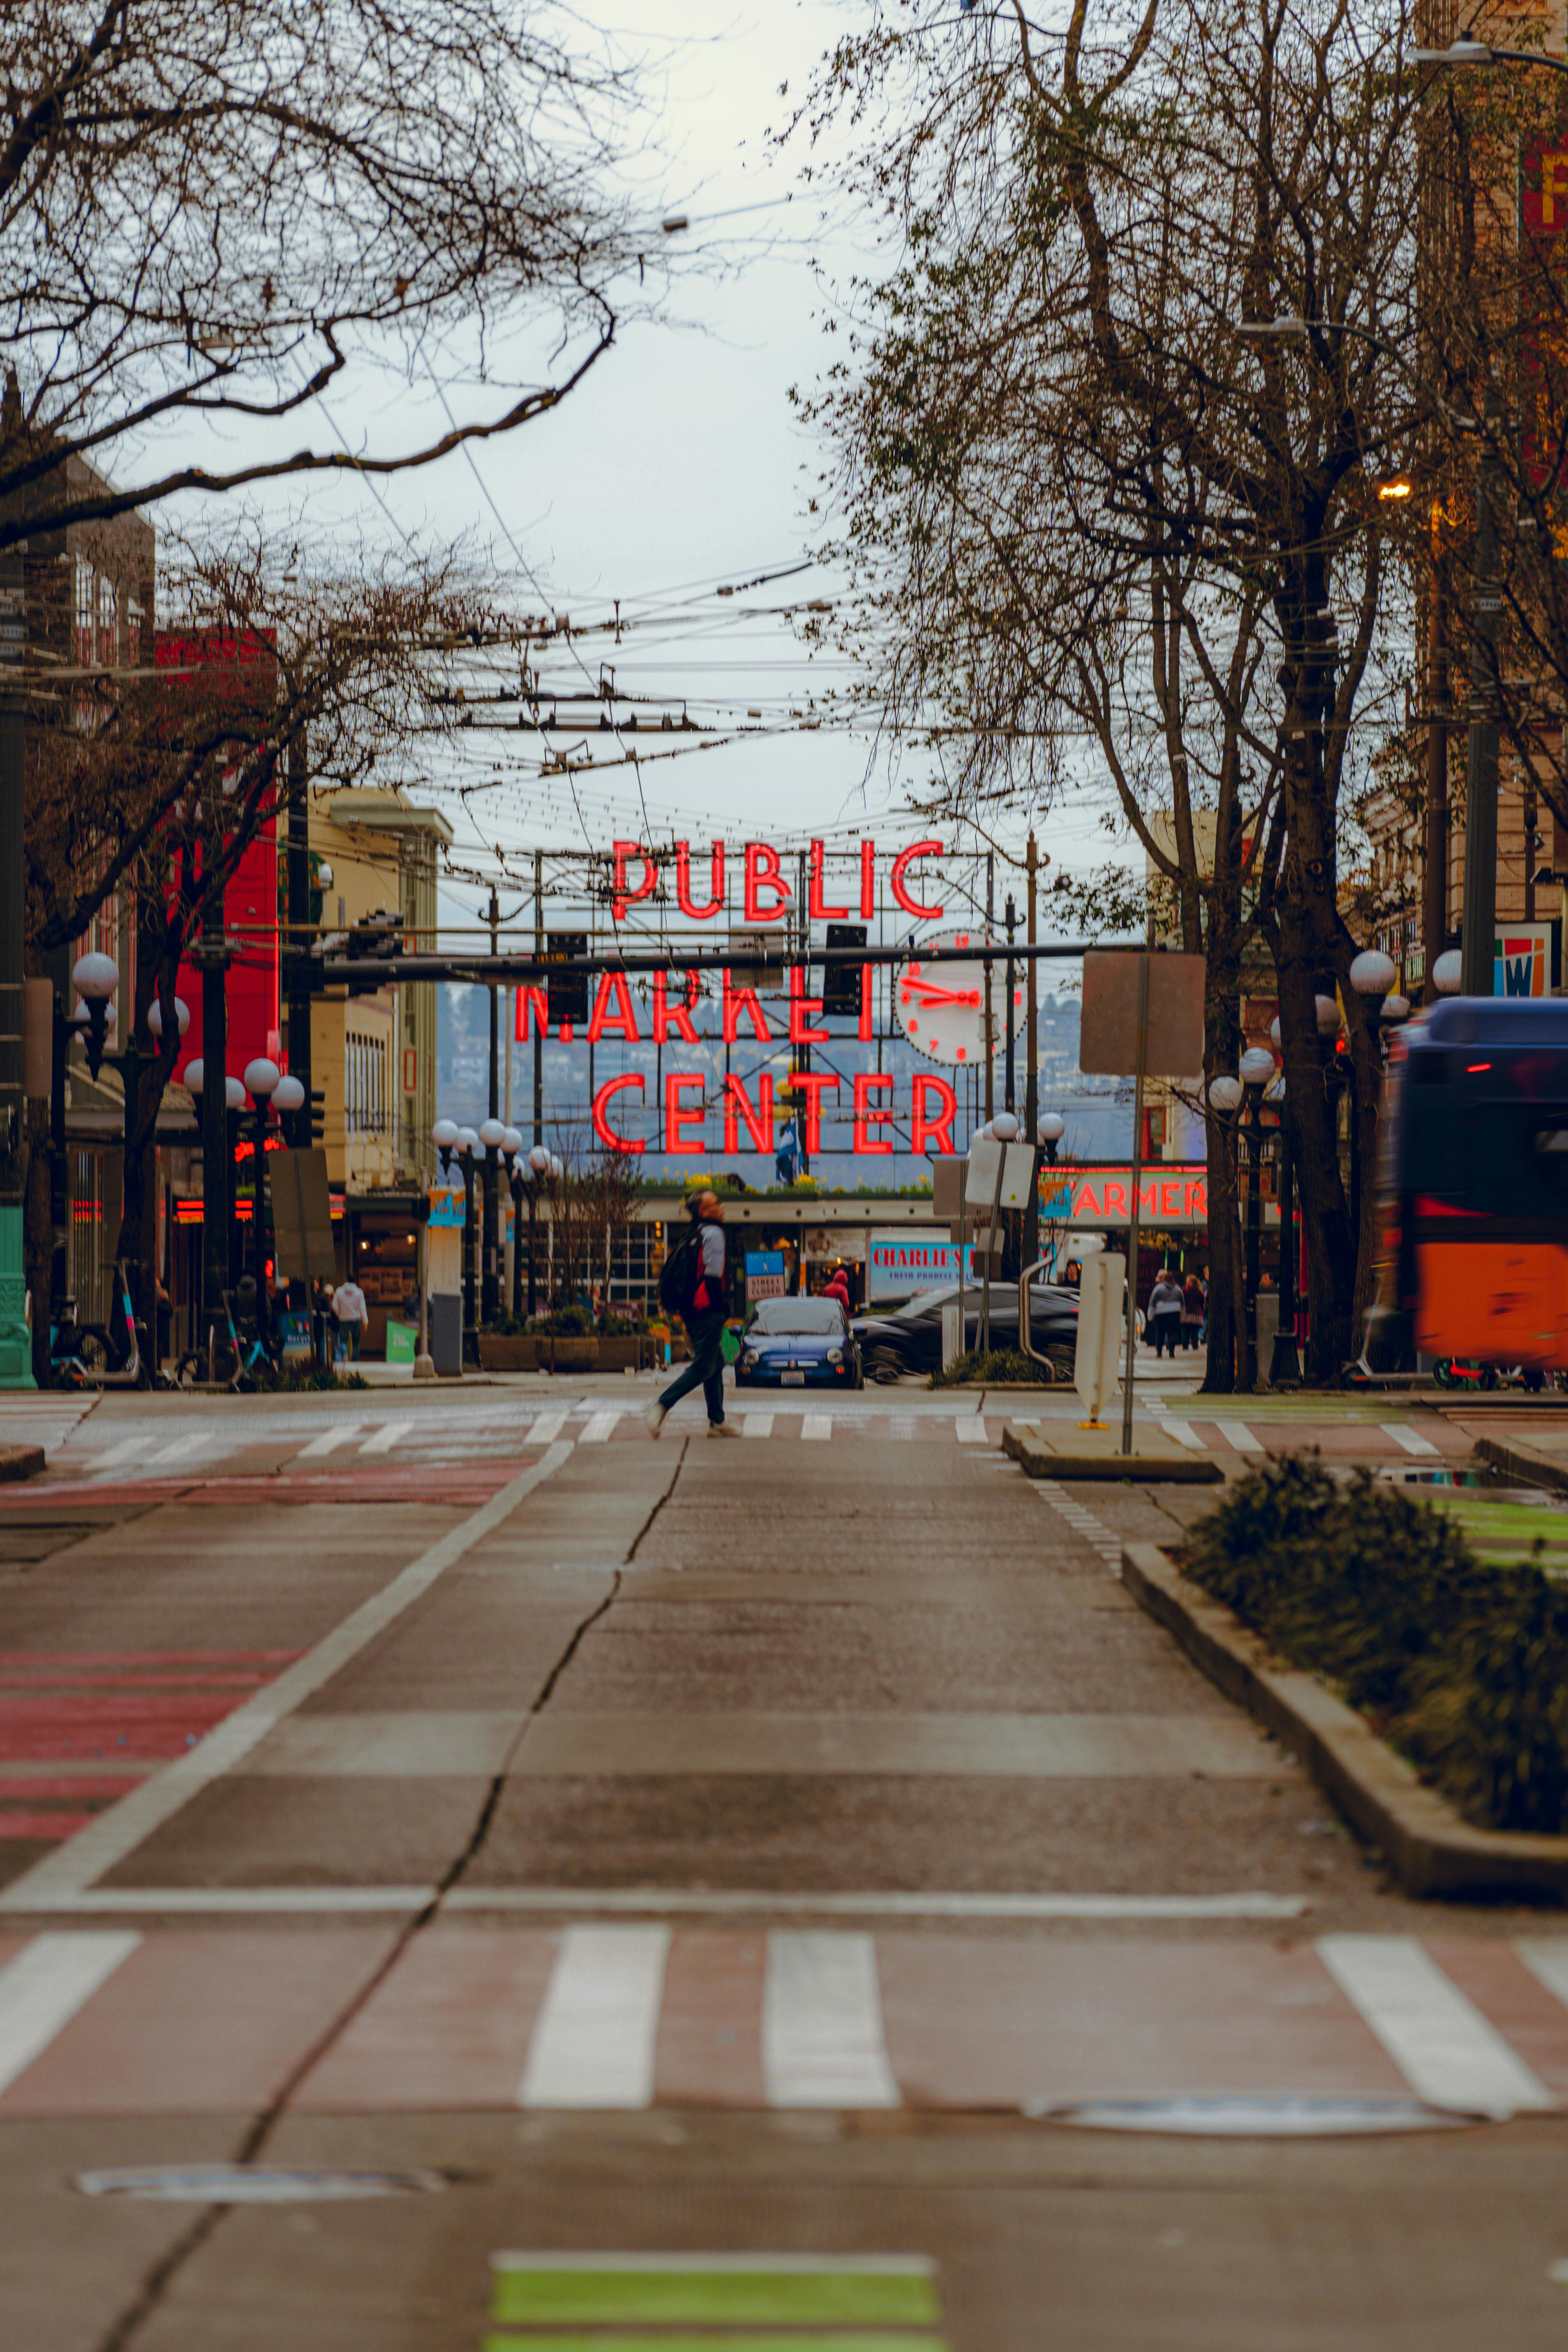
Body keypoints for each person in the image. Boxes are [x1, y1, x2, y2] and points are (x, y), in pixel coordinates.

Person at [645, 1192, 738, 1439]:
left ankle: (717, 1422)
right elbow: (712, 1277)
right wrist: (722, 1310)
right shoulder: (715, 1234)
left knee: (715, 1363)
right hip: (707, 1311)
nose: (721, 1207)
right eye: (715, 1204)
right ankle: (661, 1406)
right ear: (704, 1212)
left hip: (691, 1310)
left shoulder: (694, 1235)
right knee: (703, 1366)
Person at [1146, 1266, 1184, 1358]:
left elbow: (1153, 1301)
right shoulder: (1178, 1289)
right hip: (1175, 1313)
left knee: (1160, 1333)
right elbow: (1182, 1302)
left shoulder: (1159, 1288)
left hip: (1161, 1313)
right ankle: (1172, 1352)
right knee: (1172, 1333)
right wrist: (1183, 1315)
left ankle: (1159, 1352)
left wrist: (1151, 1313)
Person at [331, 1273, 369, 1361]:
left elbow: (334, 1305)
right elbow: (362, 1308)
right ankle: (354, 1361)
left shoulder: (339, 1291)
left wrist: (340, 1314)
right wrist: (365, 1322)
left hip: (343, 1320)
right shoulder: (359, 1292)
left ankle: (345, 1354)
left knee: (343, 1340)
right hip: (356, 1319)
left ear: (346, 1281)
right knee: (356, 1342)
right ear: (355, 1281)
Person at [1181, 1267, 1206, 1351]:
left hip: (1186, 1315)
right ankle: (1195, 1347)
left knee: (1185, 1333)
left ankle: (1185, 1348)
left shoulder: (1184, 1290)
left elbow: (1181, 1301)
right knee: (1195, 1333)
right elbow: (1203, 1302)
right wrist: (1201, 1310)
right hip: (1196, 1315)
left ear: (1190, 1282)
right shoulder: (1199, 1291)